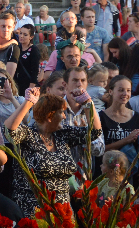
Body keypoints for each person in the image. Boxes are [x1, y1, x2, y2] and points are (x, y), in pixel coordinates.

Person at [6, 88, 100, 217]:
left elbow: (94, 132)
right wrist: (29, 102)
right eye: (61, 112)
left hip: (63, 212)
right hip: (33, 211)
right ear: (50, 116)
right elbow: (9, 130)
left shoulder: (63, 134)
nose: (64, 116)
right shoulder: (28, 135)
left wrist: (88, 103)